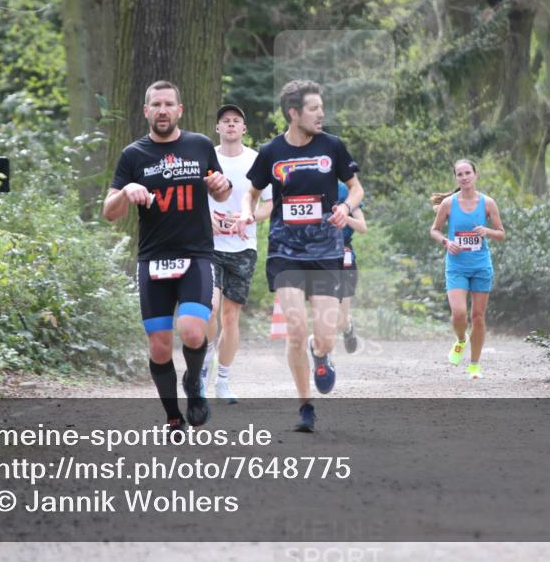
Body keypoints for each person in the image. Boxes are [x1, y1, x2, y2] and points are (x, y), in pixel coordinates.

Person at [102, 80, 232, 437]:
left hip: (196, 255)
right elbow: (109, 212)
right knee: (159, 346)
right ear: (146, 111)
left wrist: (221, 188)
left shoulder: (200, 145)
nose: (162, 110)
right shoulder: (133, 155)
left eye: (168, 104)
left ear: (179, 110)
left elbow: (220, 191)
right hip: (153, 259)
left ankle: (194, 383)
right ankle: (173, 416)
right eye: (155, 104)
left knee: (192, 331)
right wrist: (127, 191)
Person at [234, 79, 363, 432]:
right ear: (294, 113)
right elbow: (253, 193)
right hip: (285, 249)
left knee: (324, 335)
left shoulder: (332, 146)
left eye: (322, 108)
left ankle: (320, 353)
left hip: (326, 250)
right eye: (314, 109)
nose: (321, 114)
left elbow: (356, 188)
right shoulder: (272, 151)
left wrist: (346, 207)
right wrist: (248, 212)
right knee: (294, 328)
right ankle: (305, 406)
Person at [201, 104, 273, 403]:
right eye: (225, 121)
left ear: (244, 129)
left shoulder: (257, 160)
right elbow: (191, 200)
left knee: (231, 318)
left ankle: (223, 381)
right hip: (209, 246)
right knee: (211, 308)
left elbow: (269, 205)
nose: (230, 125)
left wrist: (248, 218)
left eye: (236, 122)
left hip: (244, 246)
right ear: (217, 128)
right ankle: (202, 366)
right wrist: (208, 220)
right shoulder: (206, 157)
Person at [429, 159, 505, 379]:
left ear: (475, 175)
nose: (464, 177)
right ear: (456, 178)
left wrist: (487, 231)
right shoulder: (449, 204)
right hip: (456, 266)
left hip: (481, 265)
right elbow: (434, 230)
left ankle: (474, 364)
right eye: (459, 174)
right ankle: (461, 340)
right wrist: (446, 242)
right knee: (459, 313)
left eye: (467, 173)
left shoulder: (488, 203)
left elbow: (501, 233)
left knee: (478, 317)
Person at [335, 180, 367, 353]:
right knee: (323, 314)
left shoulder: (345, 191)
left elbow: (363, 227)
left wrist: (343, 215)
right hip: (317, 257)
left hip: (343, 258)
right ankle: (322, 356)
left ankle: (347, 327)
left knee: (339, 320)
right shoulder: (308, 185)